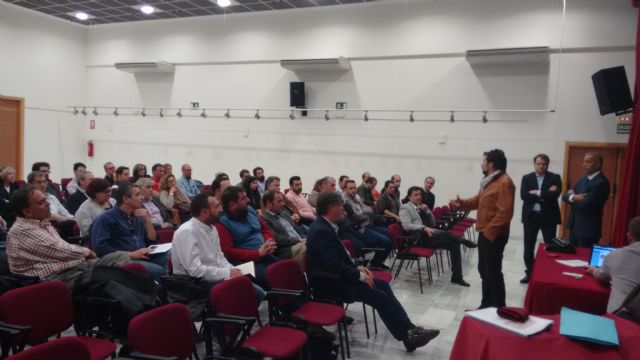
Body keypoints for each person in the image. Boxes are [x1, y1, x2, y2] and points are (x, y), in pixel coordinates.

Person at [306, 192, 440, 351]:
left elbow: (337, 260)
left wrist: (357, 267)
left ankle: (409, 329)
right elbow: (333, 265)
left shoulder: (326, 225)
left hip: (341, 276)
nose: (343, 209)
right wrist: (359, 275)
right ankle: (407, 336)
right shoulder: (321, 230)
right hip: (332, 283)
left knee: (383, 286)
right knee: (380, 297)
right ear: (331, 208)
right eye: (340, 206)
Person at [6, 186, 129, 287]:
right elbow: (59, 250)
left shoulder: (42, 222)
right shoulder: (23, 230)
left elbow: (63, 248)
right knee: (111, 278)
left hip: (72, 266)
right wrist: (86, 252)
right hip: (52, 279)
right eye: (41, 203)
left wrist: (84, 255)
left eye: (45, 199)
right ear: (27, 212)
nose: (48, 203)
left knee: (120, 257)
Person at [451, 149, 515, 308]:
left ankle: (499, 309)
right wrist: (463, 204)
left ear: (491, 164)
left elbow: (505, 213)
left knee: (492, 272)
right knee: (484, 270)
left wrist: (489, 233)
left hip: (494, 235)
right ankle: (486, 305)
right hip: (486, 232)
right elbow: (479, 200)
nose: (481, 163)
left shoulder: (504, 183)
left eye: (484, 161)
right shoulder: (490, 181)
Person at [171, 193, 265, 301]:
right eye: (216, 207)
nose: (221, 209)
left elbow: (220, 258)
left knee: (255, 291)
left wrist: (233, 270)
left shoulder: (212, 228)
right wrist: (228, 273)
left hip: (214, 277)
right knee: (252, 293)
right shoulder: (187, 232)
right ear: (204, 212)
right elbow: (195, 271)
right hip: (195, 285)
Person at [90, 182, 169, 280]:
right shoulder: (105, 219)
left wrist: (147, 220)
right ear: (126, 199)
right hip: (123, 260)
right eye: (137, 195)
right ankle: (163, 291)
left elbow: (152, 240)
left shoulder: (137, 216)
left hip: (144, 256)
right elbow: (100, 248)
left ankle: (168, 288)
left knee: (172, 256)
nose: (141, 197)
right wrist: (131, 254)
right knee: (159, 271)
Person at [400, 187, 475, 287]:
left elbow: (433, 222)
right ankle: (464, 241)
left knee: (454, 244)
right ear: (409, 197)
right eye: (415, 195)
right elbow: (406, 225)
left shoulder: (421, 206)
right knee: (445, 234)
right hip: (419, 239)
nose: (418, 197)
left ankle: (457, 277)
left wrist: (428, 211)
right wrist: (423, 227)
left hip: (430, 235)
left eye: (420, 195)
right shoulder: (405, 208)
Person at [214, 186, 279, 288]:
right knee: (277, 279)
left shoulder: (249, 210)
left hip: (267, 255)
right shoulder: (222, 222)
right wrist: (257, 254)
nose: (248, 200)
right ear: (232, 205)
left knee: (291, 271)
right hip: (249, 264)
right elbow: (228, 252)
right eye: (243, 198)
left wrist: (269, 242)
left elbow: (264, 229)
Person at [520, 154, 562, 284]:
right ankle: (530, 273)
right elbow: (524, 196)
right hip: (531, 216)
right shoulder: (526, 178)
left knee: (550, 246)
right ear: (534, 164)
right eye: (538, 164)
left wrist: (537, 193)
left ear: (547, 165)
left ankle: (548, 274)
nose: (541, 166)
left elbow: (554, 195)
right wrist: (545, 194)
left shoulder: (555, 177)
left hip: (548, 217)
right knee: (528, 247)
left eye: (544, 164)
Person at [585, 216, 640, 313]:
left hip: (623, 319)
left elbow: (602, 276)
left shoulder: (617, 255)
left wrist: (593, 270)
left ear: (629, 236)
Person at [562, 151, 611, 248]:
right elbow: (564, 196)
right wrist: (574, 197)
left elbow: (585, 205)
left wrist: (571, 198)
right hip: (574, 226)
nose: (584, 164)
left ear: (597, 164)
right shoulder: (583, 179)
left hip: (588, 230)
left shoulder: (601, 183)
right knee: (572, 259)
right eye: (584, 161)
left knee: (585, 259)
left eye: (588, 162)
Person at [342, 180, 391, 269]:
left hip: (368, 224)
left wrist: (365, 214)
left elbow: (369, 210)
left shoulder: (355, 198)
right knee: (385, 241)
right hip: (360, 229)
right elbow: (358, 217)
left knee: (390, 233)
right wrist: (365, 215)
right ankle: (375, 263)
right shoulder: (346, 202)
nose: (354, 190)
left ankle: (378, 262)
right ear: (345, 189)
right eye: (351, 188)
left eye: (355, 188)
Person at [261, 191, 307, 268]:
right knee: (311, 247)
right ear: (269, 203)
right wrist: (299, 240)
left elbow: (297, 229)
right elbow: (277, 239)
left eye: (283, 201)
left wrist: (306, 237)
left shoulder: (284, 213)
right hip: (289, 249)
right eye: (279, 201)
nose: (283, 204)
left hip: (302, 242)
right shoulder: (265, 219)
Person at [27, 171, 76, 237]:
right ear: (30, 184)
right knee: (69, 224)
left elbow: (65, 213)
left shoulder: (52, 197)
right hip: (41, 227)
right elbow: (48, 216)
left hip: (60, 224)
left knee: (74, 223)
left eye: (44, 182)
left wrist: (71, 219)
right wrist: (61, 218)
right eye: (39, 182)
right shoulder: (28, 198)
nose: (42, 184)